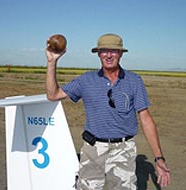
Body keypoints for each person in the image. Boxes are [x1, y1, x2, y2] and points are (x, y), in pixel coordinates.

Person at [45, 33, 171, 190]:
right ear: (98, 53)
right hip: (93, 149)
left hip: (123, 150)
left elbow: (146, 119)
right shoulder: (86, 80)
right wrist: (52, 61)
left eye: (114, 51)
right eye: (104, 50)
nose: (109, 55)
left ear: (121, 54)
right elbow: (53, 95)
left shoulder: (134, 81)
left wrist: (159, 158)